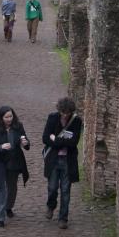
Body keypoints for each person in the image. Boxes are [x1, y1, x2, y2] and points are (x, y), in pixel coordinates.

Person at [42, 97, 82, 229]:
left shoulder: (76, 121)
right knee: (52, 187)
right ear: (59, 110)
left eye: (68, 113)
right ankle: (51, 205)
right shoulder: (52, 118)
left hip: (68, 160)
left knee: (66, 190)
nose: (65, 115)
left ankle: (63, 218)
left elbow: (73, 143)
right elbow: (45, 138)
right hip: (53, 159)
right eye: (63, 112)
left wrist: (56, 140)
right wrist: (59, 141)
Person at [0, 106, 30, 227]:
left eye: (10, 116)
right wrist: (0, 147)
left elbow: (26, 142)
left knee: (12, 188)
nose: (9, 119)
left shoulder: (18, 126)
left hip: (14, 160)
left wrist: (25, 143)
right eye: (6, 117)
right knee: (1, 188)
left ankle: (8, 207)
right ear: (1, 118)